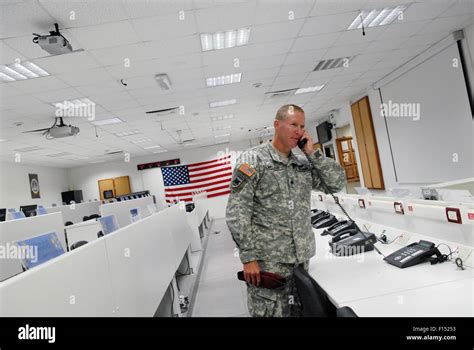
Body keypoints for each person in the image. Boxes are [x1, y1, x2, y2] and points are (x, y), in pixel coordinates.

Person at [226, 104, 346, 317]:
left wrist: (312, 153)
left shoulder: (302, 163)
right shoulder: (253, 160)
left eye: (302, 126)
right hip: (268, 262)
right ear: (277, 125)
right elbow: (238, 210)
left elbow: (336, 183)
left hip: (301, 261)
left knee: (302, 312)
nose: (299, 130)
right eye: (293, 125)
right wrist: (248, 257)